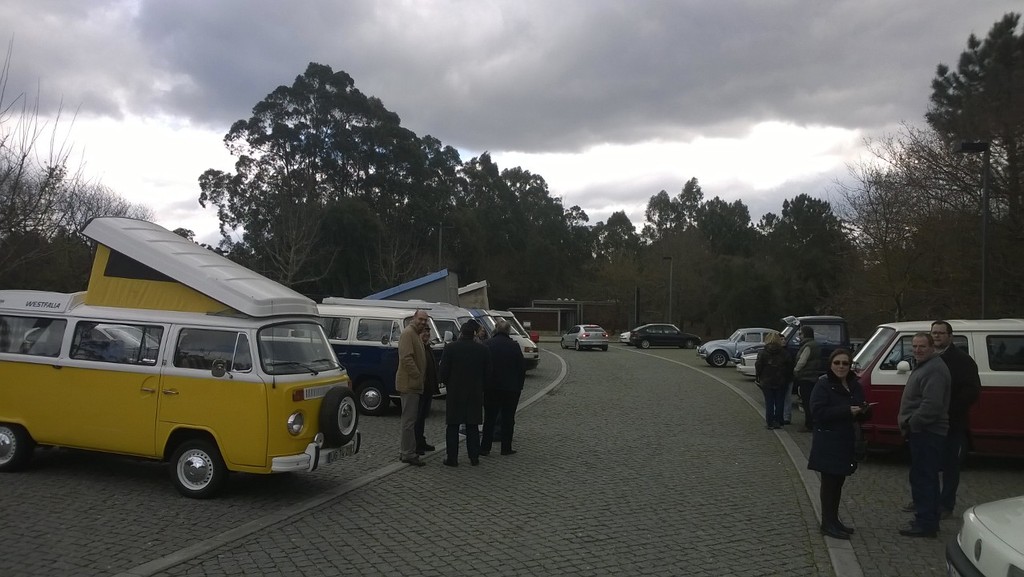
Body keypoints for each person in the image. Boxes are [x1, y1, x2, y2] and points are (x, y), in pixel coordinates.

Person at [900, 321, 981, 518]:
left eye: (941, 333)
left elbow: (971, 391)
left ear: (950, 336)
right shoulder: (927, 358)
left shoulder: (961, 360)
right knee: (928, 465)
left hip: (951, 421)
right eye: (934, 333)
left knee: (949, 465)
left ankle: (945, 504)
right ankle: (926, 500)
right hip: (930, 422)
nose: (937, 336)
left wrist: (947, 410)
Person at [807, 349, 871, 540]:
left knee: (839, 483)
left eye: (845, 363)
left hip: (846, 440)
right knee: (829, 484)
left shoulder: (854, 384)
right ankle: (827, 523)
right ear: (831, 364)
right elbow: (817, 413)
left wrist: (865, 411)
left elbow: (860, 408)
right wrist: (846, 411)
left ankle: (834, 520)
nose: (841, 367)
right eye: (837, 363)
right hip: (828, 441)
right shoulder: (823, 385)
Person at [897, 332, 951, 538]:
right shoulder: (925, 366)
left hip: (928, 432)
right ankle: (926, 518)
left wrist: (913, 423)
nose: (917, 350)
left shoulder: (935, 369)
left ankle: (926, 523)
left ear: (932, 348)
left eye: (922, 346)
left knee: (924, 478)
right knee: (922, 476)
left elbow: (932, 404)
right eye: (915, 346)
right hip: (923, 431)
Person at [439, 320, 491, 467]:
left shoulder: (451, 348)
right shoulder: (483, 350)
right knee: (472, 425)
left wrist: (449, 384)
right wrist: (481, 387)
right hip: (474, 392)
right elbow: (488, 373)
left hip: (455, 392)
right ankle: (474, 457)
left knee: (453, 426)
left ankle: (452, 458)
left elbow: (443, 371)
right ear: (474, 333)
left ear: (461, 332)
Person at [481, 319, 526, 456]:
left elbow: (483, 367)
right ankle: (506, 448)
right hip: (510, 388)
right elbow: (521, 368)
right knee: (508, 419)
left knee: (489, 418)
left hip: (491, 388)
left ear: (495, 329)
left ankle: (485, 447)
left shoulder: (487, 344)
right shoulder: (514, 346)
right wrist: (519, 386)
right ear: (508, 331)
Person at [396, 310, 430, 467]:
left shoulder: (416, 334)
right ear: (414, 318)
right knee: (409, 421)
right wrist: (417, 375)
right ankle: (408, 453)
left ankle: (407, 451)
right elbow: (406, 358)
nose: (423, 322)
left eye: (425, 320)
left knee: (411, 420)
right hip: (410, 384)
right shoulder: (408, 334)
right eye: (421, 319)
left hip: (414, 384)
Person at [755, 332, 793, 429]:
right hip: (781, 380)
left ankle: (770, 422)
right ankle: (779, 421)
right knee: (780, 402)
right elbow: (790, 367)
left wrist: (758, 376)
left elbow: (758, 366)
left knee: (769, 402)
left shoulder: (763, 353)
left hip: (767, 381)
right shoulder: (784, 353)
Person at [414, 326, 439, 456]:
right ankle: (416, 444)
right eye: (424, 332)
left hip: (428, 388)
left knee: (423, 416)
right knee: (417, 417)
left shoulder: (427, 347)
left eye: (428, 332)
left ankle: (421, 440)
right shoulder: (418, 347)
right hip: (420, 387)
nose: (427, 334)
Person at [793, 325, 822, 432]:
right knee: (810, 400)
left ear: (805, 334)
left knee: (807, 401)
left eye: (800, 333)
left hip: (806, 377)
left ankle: (809, 424)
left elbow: (802, 361)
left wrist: (796, 370)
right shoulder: (815, 345)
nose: (799, 336)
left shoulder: (808, 346)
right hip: (812, 376)